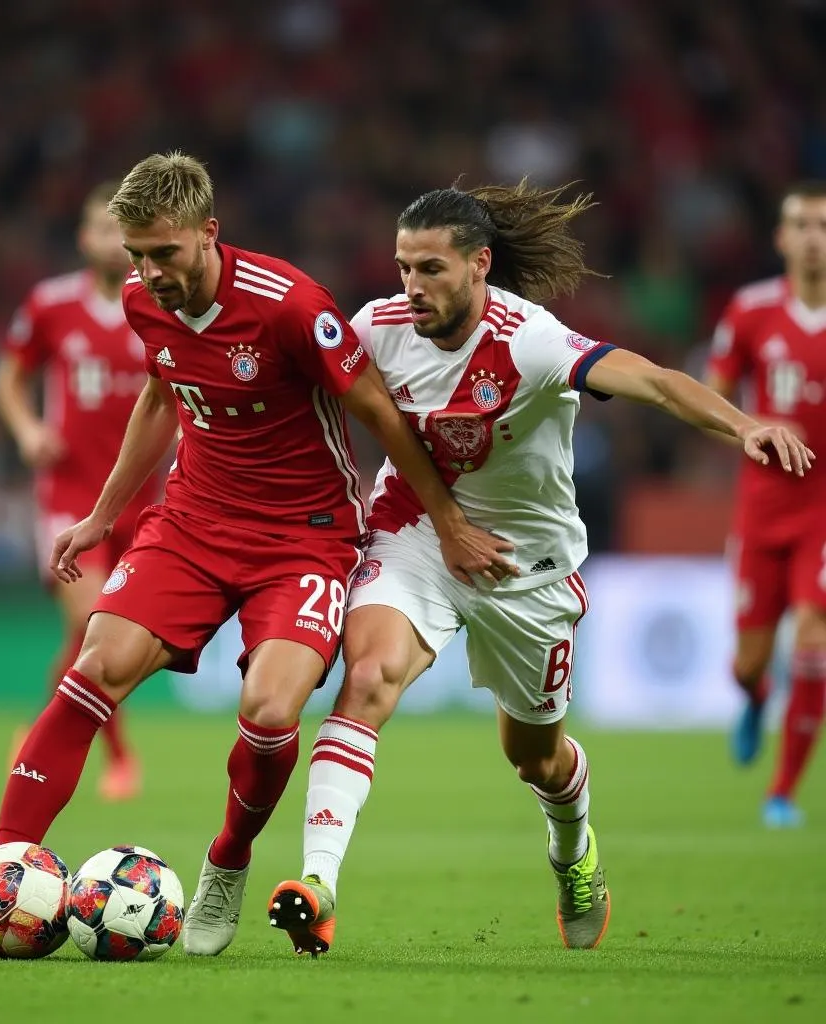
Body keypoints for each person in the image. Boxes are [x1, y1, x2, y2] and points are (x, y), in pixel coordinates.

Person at [0, 152, 509, 959]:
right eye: (137, 255)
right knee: (94, 667)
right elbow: (161, 395)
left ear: (208, 234)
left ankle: (227, 862)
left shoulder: (291, 306)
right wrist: (101, 515)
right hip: (193, 523)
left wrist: (450, 522)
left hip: (304, 534)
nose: (151, 273)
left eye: (166, 253)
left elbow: (380, 413)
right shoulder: (138, 301)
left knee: (268, 712)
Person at [267, 181, 814, 956]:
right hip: (418, 532)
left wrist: (745, 425)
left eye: (430, 269)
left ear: (479, 264)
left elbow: (657, 382)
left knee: (535, 757)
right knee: (367, 680)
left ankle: (574, 853)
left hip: (528, 563)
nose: (410, 287)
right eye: (402, 268)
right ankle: (318, 885)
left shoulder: (532, 341)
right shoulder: (378, 330)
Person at [0, 182, 167, 802]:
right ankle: (120, 757)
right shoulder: (50, 305)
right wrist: (28, 428)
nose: (112, 243)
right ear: (82, 238)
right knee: (93, 621)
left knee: (98, 635)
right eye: (101, 229)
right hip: (68, 495)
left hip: (141, 499)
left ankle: (42, 729)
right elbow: (8, 378)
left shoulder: (159, 302)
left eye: (121, 233)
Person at [706, 181, 826, 828]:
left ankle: (781, 793)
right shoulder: (750, 311)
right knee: (749, 662)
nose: (814, 237)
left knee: (813, 635)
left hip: (824, 510)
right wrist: (759, 427)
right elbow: (710, 402)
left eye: (823, 225)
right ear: (782, 238)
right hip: (761, 511)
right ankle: (755, 698)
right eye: (802, 225)